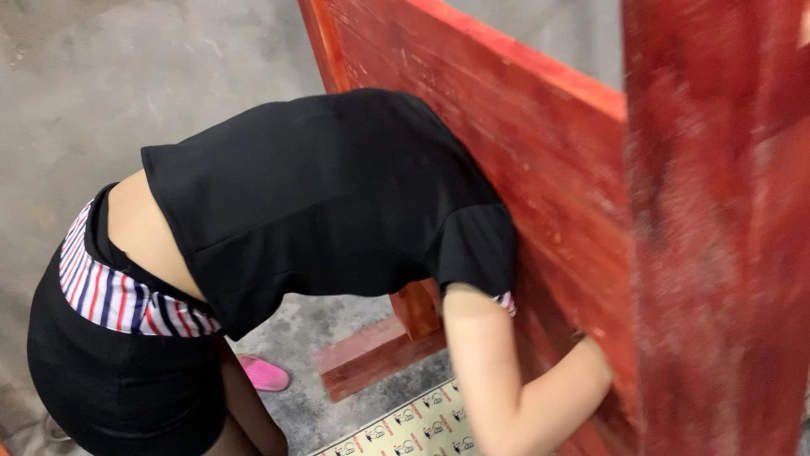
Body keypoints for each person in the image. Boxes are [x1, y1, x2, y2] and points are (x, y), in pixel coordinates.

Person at [27, 88, 612, 456]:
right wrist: (622, 344)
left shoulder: (409, 109)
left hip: (96, 260)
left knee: (270, 446)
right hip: (112, 352)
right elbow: (508, 439)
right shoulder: (472, 222)